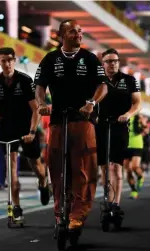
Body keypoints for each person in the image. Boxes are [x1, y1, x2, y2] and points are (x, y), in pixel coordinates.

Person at [35, 19, 108, 232]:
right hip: (57, 121)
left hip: (83, 121)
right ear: (62, 35)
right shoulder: (50, 59)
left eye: (80, 31)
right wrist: (42, 104)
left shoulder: (90, 59)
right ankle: (60, 214)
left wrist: (91, 103)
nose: (78, 35)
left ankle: (78, 216)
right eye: (73, 31)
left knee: (84, 170)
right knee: (56, 168)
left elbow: (103, 86)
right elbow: (39, 86)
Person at [0, 47, 50, 222]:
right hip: (7, 128)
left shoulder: (25, 81)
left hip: (27, 127)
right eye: (3, 60)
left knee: (36, 166)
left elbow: (36, 110)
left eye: (10, 60)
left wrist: (32, 132)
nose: (7, 63)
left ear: (14, 61)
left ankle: (43, 183)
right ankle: (16, 206)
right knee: (11, 170)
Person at [95, 48, 142, 213]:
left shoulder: (129, 80)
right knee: (105, 168)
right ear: (103, 63)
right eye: (108, 61)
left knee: (116, 167)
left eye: (115, 61)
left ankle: (116, 204)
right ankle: (107, 200)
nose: (112, 64)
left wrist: (128, 114)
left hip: (120, 126)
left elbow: (137, 103)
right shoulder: (96, 80)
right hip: (100, 127)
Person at [124, 114, 147, 199]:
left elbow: (146, 131)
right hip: (125, 145)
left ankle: (141, 177)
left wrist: (143, 124)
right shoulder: (124, 115)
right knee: (128, 171)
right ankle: (134, 191)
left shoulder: (139, 117)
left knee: (134, 167)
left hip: (137, 145)